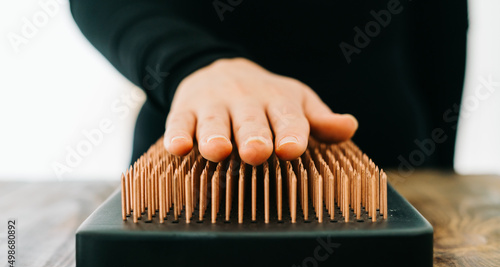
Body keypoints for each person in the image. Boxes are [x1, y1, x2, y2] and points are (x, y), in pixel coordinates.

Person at [70, 0, 467, 168]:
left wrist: (440, 174)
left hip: (386, 162)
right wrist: (194, 63)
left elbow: (440, 25)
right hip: (193, 160)